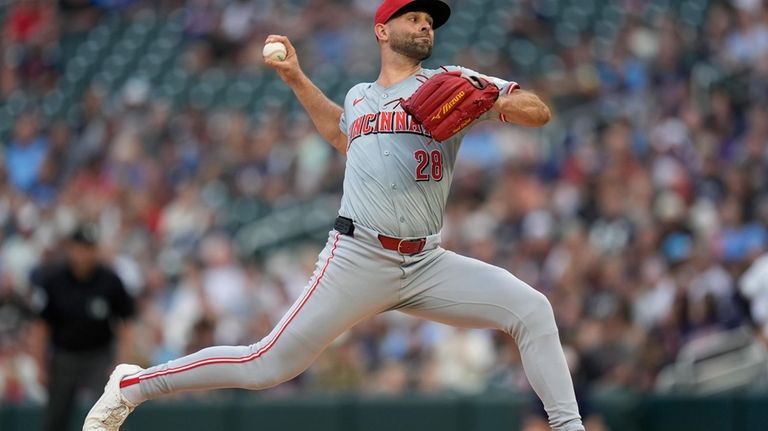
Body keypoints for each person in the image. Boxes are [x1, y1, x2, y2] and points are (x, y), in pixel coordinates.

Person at [83, 1, 585, 430]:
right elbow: (342, 135)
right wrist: (297, 78)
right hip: (359, 255)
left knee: (532, 310)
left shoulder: (452, 83)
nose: (426, 25)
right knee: (267, 364)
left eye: (430, 20)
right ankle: (131, 385)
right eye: (414, 18)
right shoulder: (359, 97)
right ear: (382, 30)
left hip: (427, 262)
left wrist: (489, 98)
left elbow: (538, 111)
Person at [34, 223, 136, 431]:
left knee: (110, 412)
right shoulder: (54, 280)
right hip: (65, 356)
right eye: (78, 248)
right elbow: (41, 326)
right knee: (56, 416)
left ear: (95, 250)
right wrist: (40, 364)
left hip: (99, 356)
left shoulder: (110, 280)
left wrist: (121, 362)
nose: (82, 254)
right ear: (70, 249)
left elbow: (125, 324)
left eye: (87, 248)